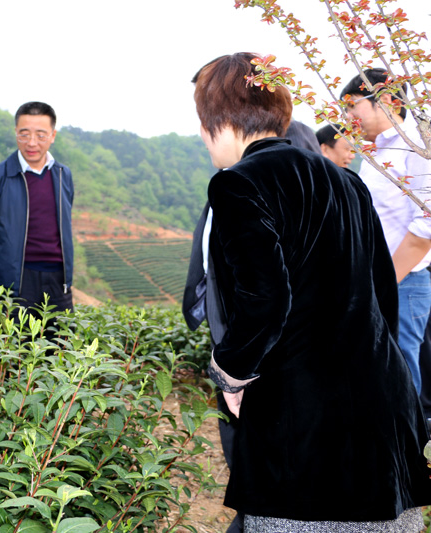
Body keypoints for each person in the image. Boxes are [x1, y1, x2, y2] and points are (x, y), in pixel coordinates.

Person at [184, 52, 431, 531]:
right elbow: (382, 294)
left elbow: (265, 299)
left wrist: (230, 373)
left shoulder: (237, 184)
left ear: (221, 123)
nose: (201, 135)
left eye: (202, 121)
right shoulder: (347, 181)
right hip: (380, 410)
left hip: (302, 423)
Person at [342, 68, 431, 396]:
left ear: (387, 100)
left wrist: (384, 282)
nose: (348, 117)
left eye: (352, 105)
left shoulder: (416, 144)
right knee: (376, 375)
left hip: (403, 283)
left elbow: (425, 229)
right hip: (377, 280)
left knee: (400, 375)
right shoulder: (375, 154)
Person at [0, 102, 74, 314]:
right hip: (16, 280)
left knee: (62, 335)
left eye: (41, 135)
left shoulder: (63, 175)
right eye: (24, 134)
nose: (32, 143)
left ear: (53, 136)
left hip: (58, 279)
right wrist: (5, 257)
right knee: (15, 335)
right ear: (16, 132)